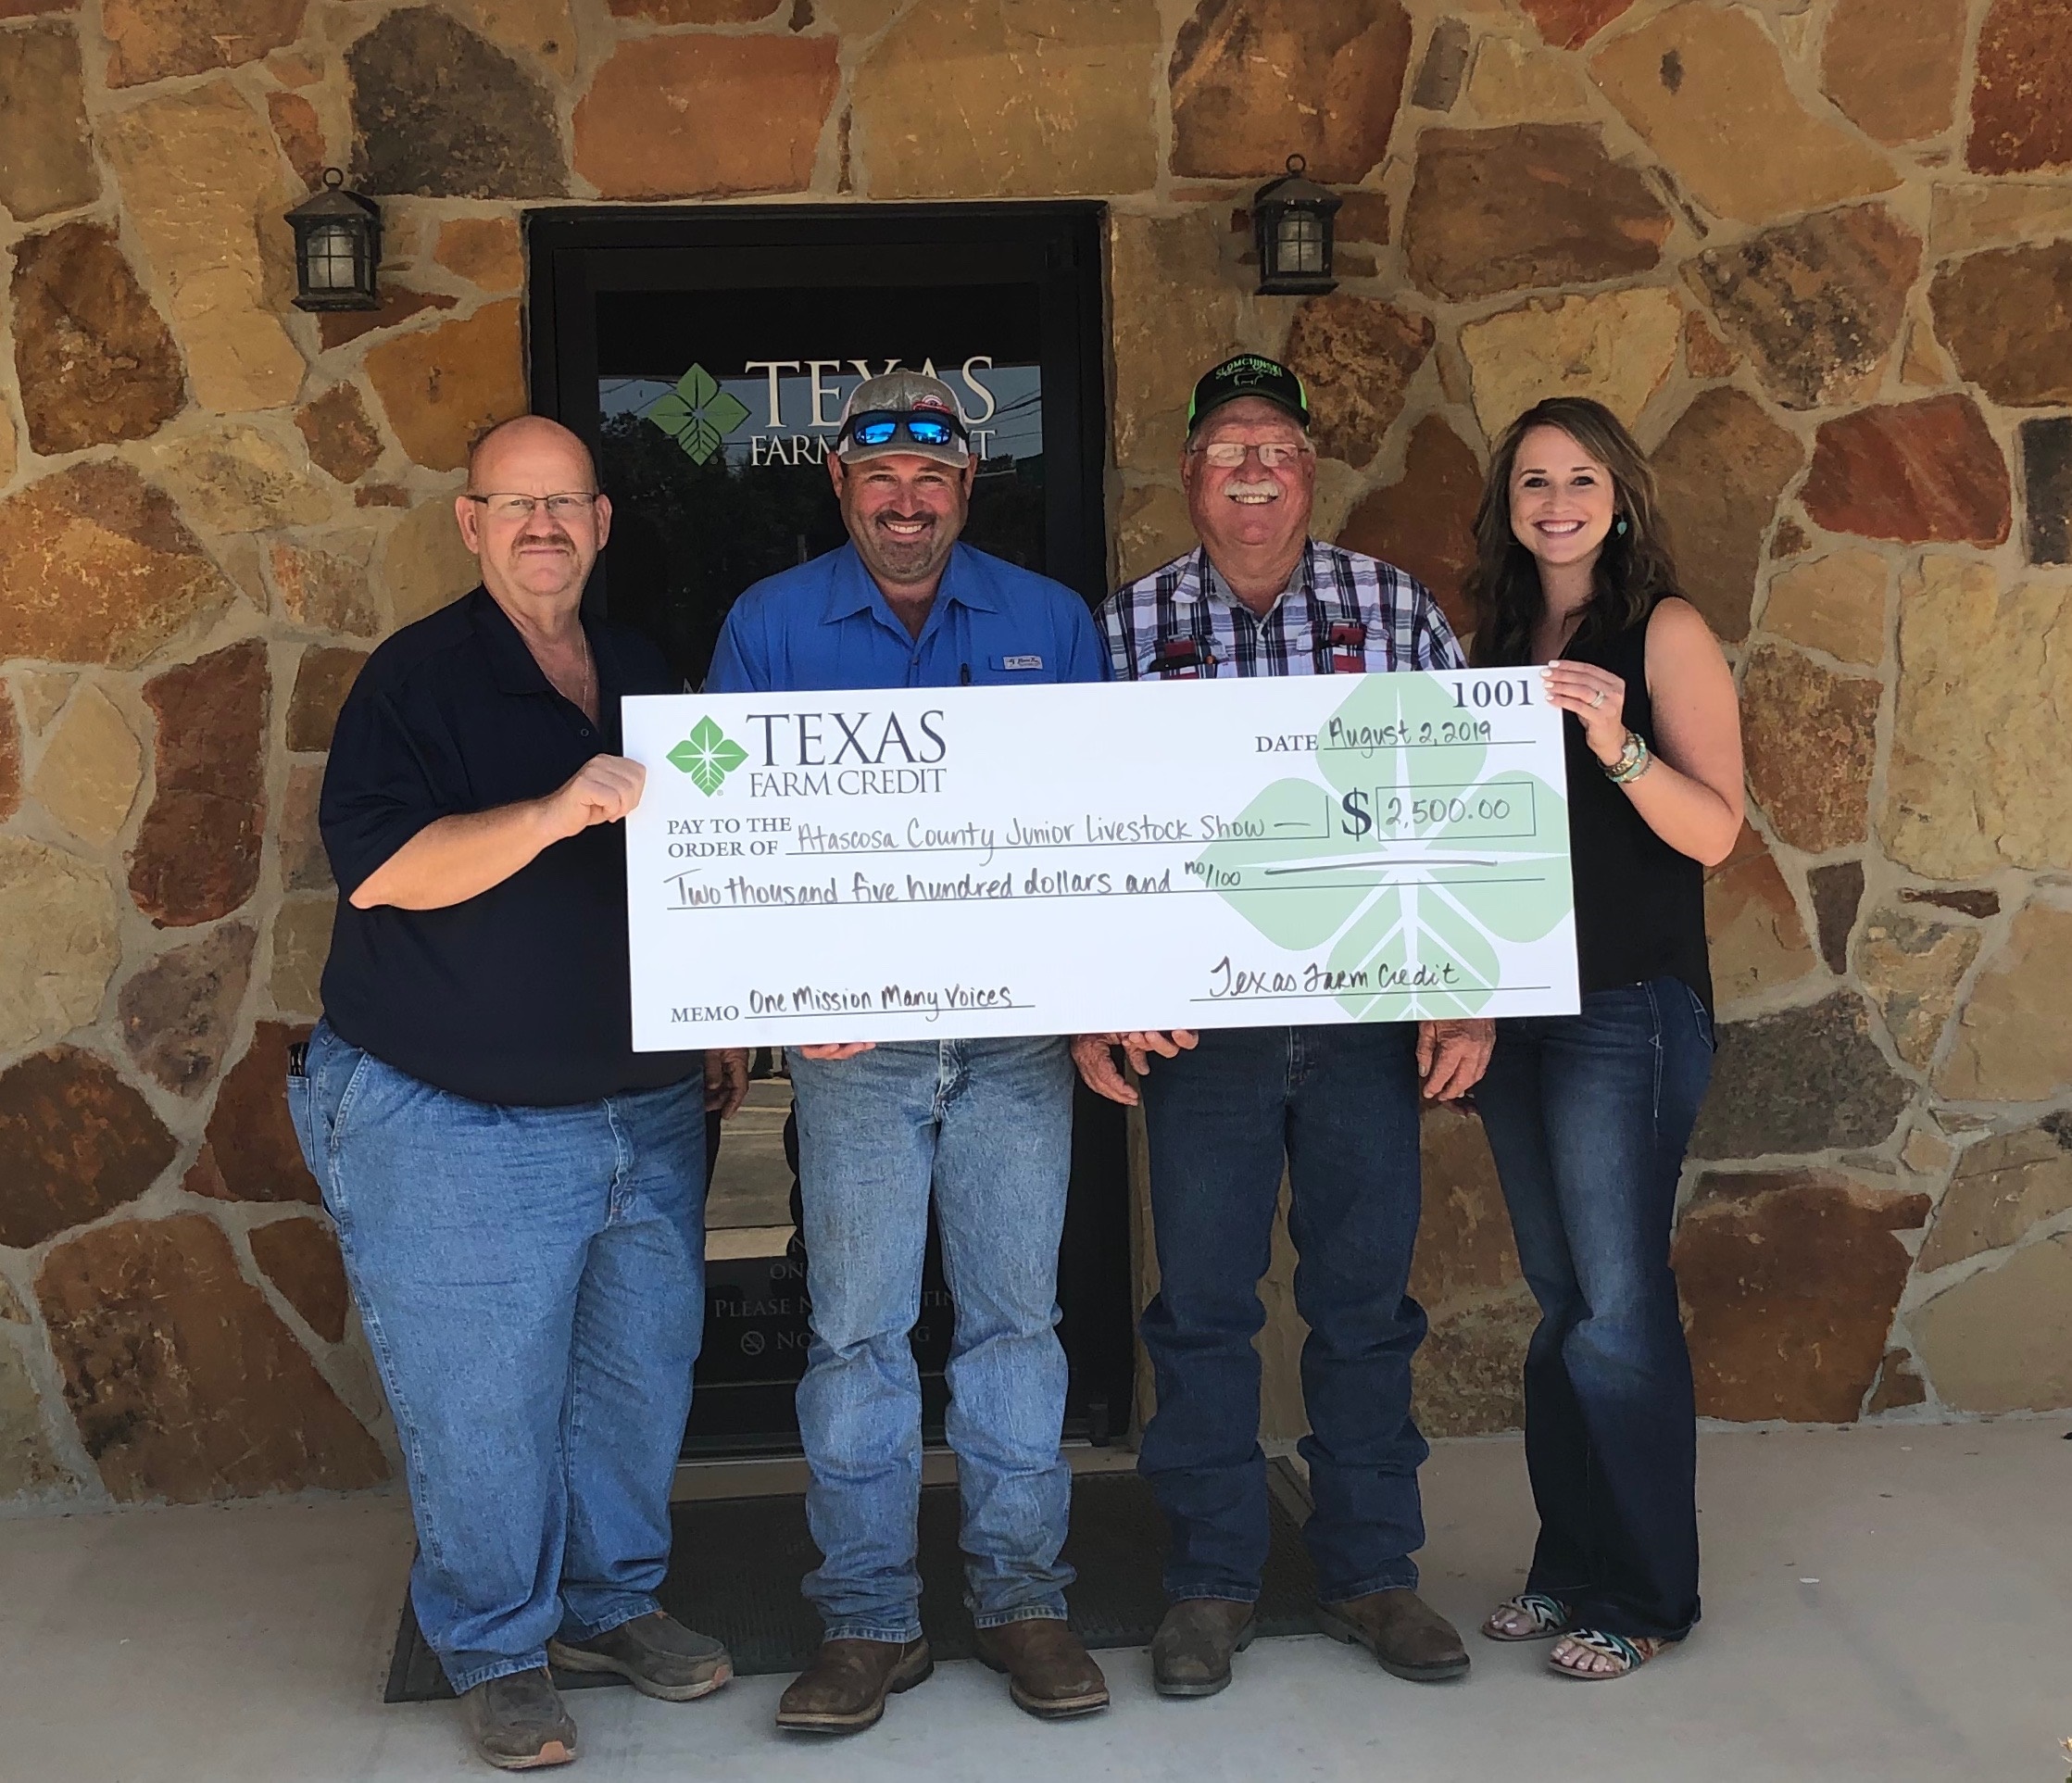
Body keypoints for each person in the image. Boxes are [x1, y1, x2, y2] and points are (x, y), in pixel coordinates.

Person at [291, 415, 749, 1772]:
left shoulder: (639, 668)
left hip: (641, 1105)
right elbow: (382, 870)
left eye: (567, 505)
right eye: (517, 503)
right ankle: (493, 1641)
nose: (543, 527)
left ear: (602, 524)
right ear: (471, 523)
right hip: (453, 1114)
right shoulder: (415, 679)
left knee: (632, 1377)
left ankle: (609, 1601)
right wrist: (553, 810)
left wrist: (719, 1011)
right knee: (480, 1396)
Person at [1074, 354, 1490, 1700]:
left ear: (1310, 474)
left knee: (1362, 1306)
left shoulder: (1394, 607)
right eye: (1226, 443)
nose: (1252, 463)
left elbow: (1464, 792)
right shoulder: (1121, 628)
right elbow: (1085, 827)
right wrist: (1101, 988)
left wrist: (1466, 976)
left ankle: (1373, 1569)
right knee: (1200, 1310)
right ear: (1190, 477)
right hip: (1205, 1033)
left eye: (1277, 443)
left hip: (1367, 1017)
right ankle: (1209, 1578)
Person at [706, 371, 1112, 1732]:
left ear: (965, 488)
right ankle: (868, 1615)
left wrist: (1108, 992)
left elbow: (1110, 827)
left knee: (1015, 1326)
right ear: (839, 483)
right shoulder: (766, 626)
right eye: (880, 479)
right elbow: (717, 844)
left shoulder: (1052, 624)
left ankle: (1019, 1596)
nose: (905, 501)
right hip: (855, 1049)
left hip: (1013, 1042)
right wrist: (770, 996)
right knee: (854, 1336)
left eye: (931, 478)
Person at [1464, 396, 1741, 1679]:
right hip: (1519, 1009)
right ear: (1507, 504)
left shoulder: (1661, 628)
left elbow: (1714, 829)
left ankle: (1641, 1594)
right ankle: (1567, 1566)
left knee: (1618, 1307)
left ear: (1617, 496)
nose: (1556, 499)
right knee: (1564, 1304)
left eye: (1579, 477)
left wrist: (1615, 743)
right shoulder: (1491, 635)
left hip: (1626, 1007)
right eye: (1532, 480)